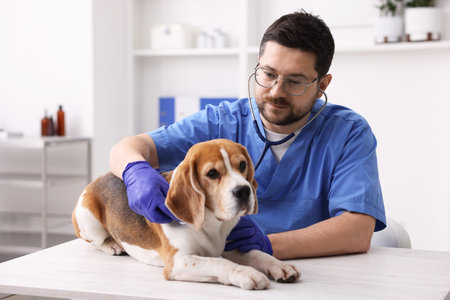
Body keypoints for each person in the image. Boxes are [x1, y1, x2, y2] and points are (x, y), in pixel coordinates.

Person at [110, 10, 386, 259]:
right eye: (268, 74)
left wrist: (265, 245)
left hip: (310, 273)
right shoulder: (222, 122)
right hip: (220, 269)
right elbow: (128, 147)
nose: (276, 91)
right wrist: (135, 171)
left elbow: (357, 230)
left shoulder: (349, 133)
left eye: (295, 81)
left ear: (322, 84)